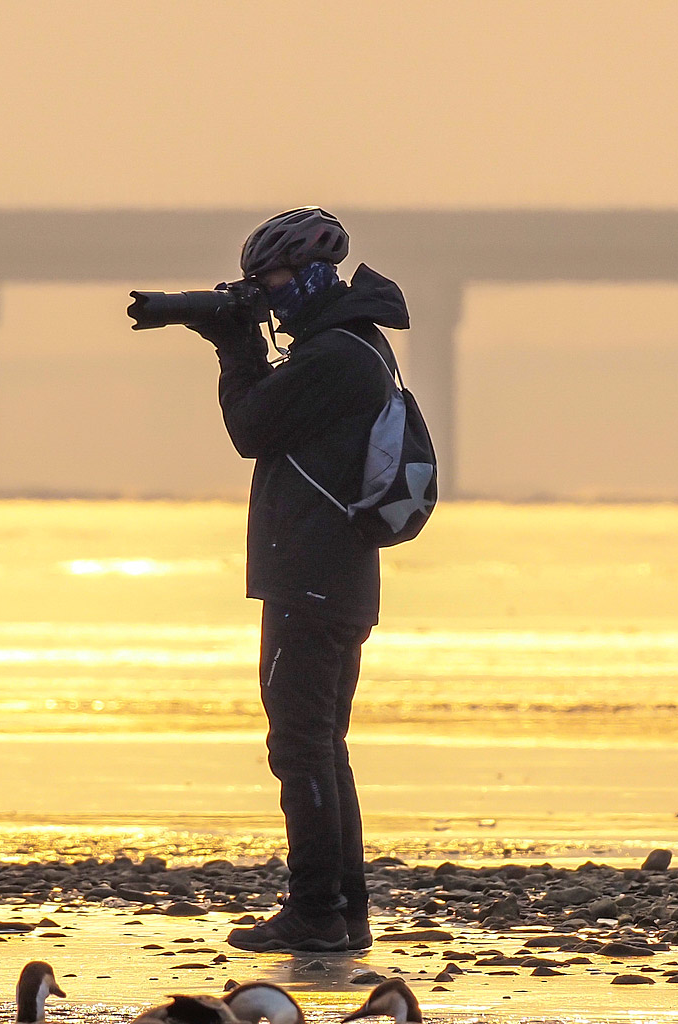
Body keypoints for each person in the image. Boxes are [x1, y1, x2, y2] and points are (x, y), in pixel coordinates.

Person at [186, 207, 409, 954]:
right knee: (323, 743)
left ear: (312, 273)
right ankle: (345, 911)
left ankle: (316, 910)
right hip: (335, 577)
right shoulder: (354, 345)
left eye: (274, 281)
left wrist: (232, 345)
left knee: (300, 747)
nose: (269, 297)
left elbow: (249, 428)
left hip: (313, 580)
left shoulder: (334, 356)